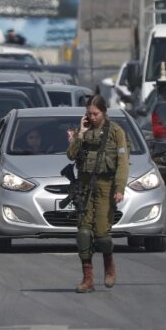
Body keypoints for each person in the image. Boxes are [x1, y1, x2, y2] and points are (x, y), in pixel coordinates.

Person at [66, 95, 129, 293]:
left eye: (95, 113)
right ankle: (88, 279)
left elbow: (123, 163)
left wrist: (119, 189)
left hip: (106, 186)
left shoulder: (116, 132)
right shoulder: (83, 131)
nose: (92, 117)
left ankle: (109, 266)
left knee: (102, 235)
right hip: (85, 186)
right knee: (83, 233)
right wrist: (80, 134)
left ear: (104, 112)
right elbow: (71, 155)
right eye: (89, 113)